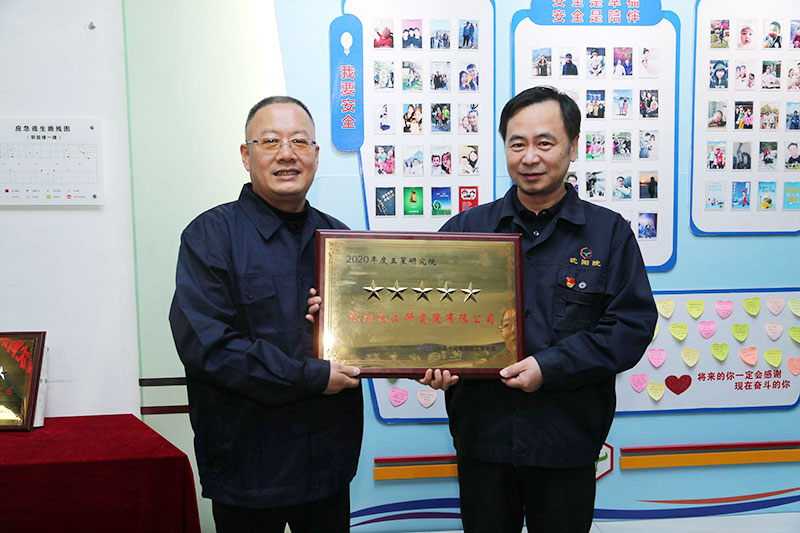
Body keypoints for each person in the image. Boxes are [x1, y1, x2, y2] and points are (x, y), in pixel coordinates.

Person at [418, 86, 657, 532]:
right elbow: (427, 318)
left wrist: (550, 367)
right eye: (517, 144)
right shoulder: (465, 231)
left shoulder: (609, 234)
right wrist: (428, 360)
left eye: (545, 143)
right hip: (483, 440)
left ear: (573, 148)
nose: (530, 157)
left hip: (567, 441)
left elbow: (631, 327)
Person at [169, 96, 363, 533]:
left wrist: (418, 353)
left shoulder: (342, 241)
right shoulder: (210, 236)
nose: (287, 153)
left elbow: (368, 335)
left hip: (328, 464)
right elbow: (209, 348)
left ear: (315, 155)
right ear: (246, 155)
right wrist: (311, 375)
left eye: (299, 141)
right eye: (271, 141)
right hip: (247, 468)